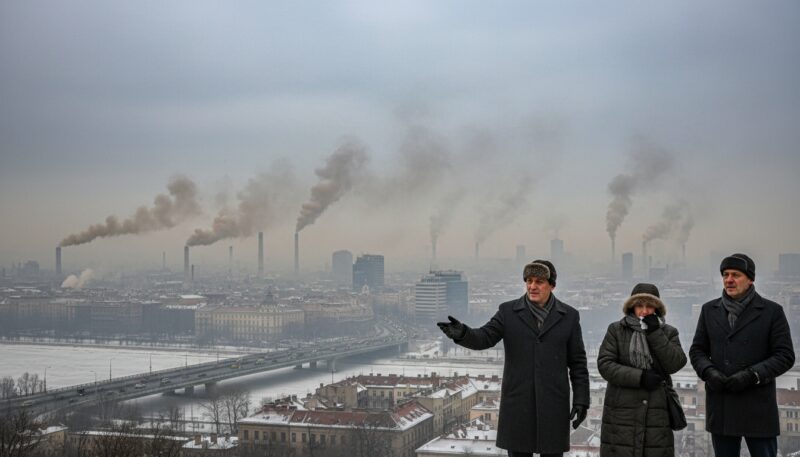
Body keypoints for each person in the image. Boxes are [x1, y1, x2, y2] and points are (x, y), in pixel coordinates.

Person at [437, 260, 589, 457]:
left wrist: (581, 400)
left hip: (553, 403)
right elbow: (484, 337)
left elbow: (577, 362)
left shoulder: (569, 316)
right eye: (529, 280)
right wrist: (463, 333)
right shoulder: (508, 312)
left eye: (540, 281)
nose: (532, 286)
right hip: (519, 403)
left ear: (552, 285)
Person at [689, 253, 795, 457]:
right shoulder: (709, 310)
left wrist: (752, 375)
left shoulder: (771, 312)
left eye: (736, 274)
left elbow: (785, 355)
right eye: (725, 274)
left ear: (750, 279)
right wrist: (709, 372)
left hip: (757, 405)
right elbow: (697, 351)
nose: (729, 280)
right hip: (722, 404)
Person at [597, 283, 687, 457]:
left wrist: (654, 333)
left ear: (657, 309)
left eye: (649, 306)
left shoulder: (668, 332)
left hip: (656, 414)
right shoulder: (616, 330)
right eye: (639, 305)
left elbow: (676, 363)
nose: (644, 311)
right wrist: (640, 377)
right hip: (621, 414)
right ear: (631, 307)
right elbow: (605, 365)